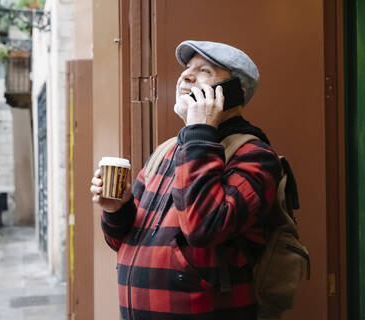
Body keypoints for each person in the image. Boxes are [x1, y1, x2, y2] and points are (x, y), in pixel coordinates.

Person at [90, 40, 283, 319]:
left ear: (233, 93)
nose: (186, 76)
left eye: (204, 71)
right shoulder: (168, 150)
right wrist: (117, 209)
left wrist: (201, 130)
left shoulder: (255, 156)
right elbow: (120, 239)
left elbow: (204, 228)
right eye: (187, 68)